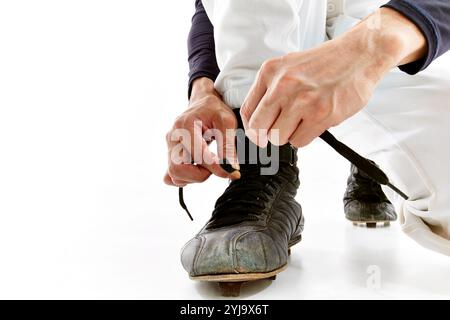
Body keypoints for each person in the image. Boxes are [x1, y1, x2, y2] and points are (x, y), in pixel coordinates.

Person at [164, 0, 450, 296]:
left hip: (402, 30)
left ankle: (373, 163)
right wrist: (203, 87)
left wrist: (370, 48)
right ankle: (262, 166)